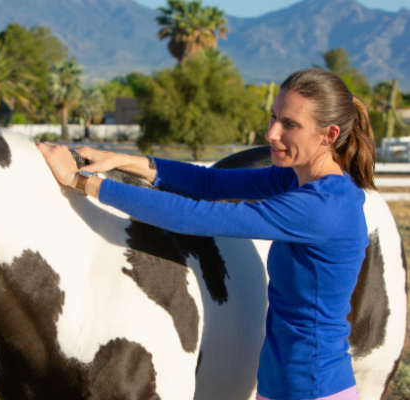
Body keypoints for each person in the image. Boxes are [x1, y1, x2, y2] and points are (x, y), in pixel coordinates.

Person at [36, 68, 376, 400]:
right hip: (282, 384)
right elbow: (208, 184)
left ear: (329, 135)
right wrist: (120, 159)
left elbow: (196, 216)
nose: (272, 133)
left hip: (314, 388)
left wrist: (80, 182)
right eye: (273, 117)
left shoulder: (323, 207)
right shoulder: (295, 179)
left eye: (290, 124)